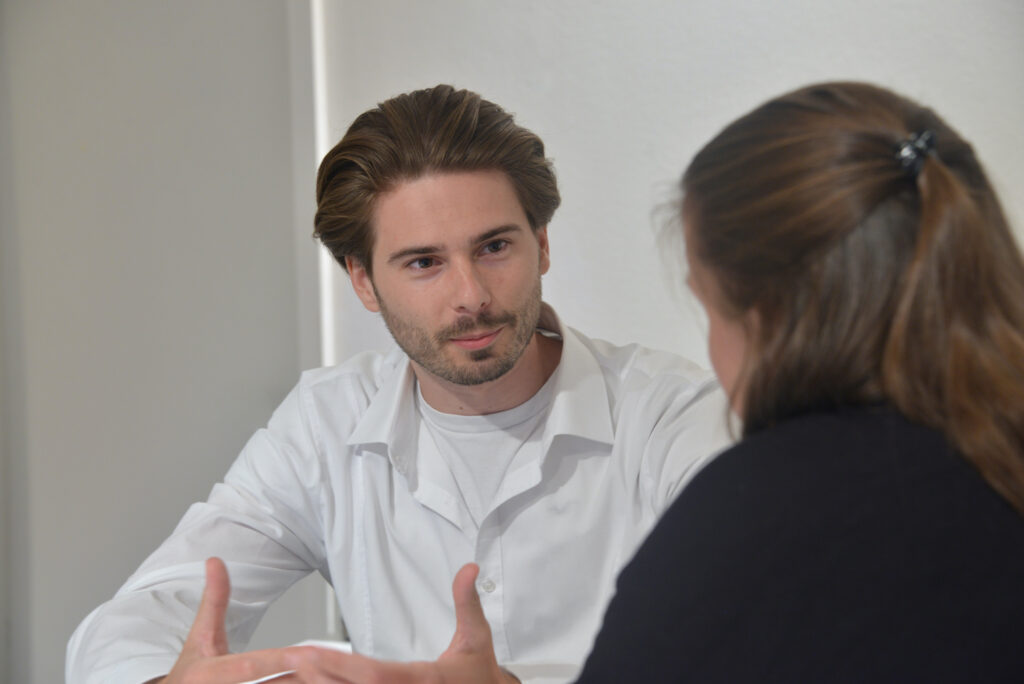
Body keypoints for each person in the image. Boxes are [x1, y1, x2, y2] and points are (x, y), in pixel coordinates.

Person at [299, 81, 1024, 682]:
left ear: (763, 316)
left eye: (706, 305)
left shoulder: (748, 502)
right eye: (423, 262)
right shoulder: (992, 458)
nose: (470, 296)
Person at [65, 84, 731, 684]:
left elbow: (768, 638)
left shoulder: (670, 415)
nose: (471, 296)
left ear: (543, 244)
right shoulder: (327, 422)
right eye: (423, 262)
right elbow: (133, 622)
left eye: (495, 247)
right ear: (362, 281)